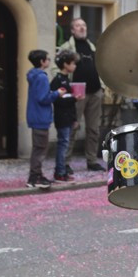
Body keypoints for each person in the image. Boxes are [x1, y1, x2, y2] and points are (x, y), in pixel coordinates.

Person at [56, 18, 107, 172]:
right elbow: (55, 68)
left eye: (84, 25)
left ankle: (91, 160)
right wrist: (64, 86)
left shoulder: (92, 47)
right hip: (76, 94)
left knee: (93, 129)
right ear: (72, 30)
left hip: (95, 92)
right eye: (78, 26)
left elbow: (101, 67)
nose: (82, 28)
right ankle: (65, 162)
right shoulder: (67, 47)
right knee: (72, 127)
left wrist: (102, 87)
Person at [25, 50, 65, 188]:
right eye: (47, 59)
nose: (49, 61)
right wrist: (56, 94)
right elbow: (43, 98)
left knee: (38, 147)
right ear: (42, 61)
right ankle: (35, 177)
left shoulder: (33, 75)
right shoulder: (41, 77)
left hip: (35, 115)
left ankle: (36, 175)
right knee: (40, 148)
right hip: (41, 117)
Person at [50, 50, 79, 182]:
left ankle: (62, 170)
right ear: (65, 64)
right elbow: (57, 101)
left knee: (65, 144)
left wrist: (74, 118)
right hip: (61, 117)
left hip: (68, 117)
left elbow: (70, 102)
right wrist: (74, 99)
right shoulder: (58, 80)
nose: (75, 66)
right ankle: (60, 172)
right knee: (63, 144)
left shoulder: (67, 80)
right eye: (73, 63)